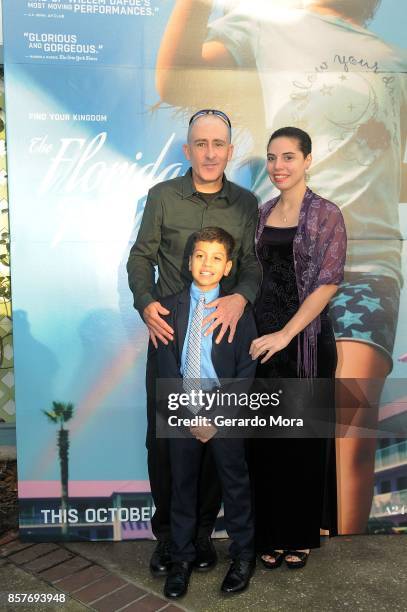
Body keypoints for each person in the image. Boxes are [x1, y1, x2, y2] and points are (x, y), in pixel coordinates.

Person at [156, 0, 407, 535]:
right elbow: (175, 84)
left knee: (349, 415)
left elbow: (395, 165)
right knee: (287, 414)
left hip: (369, 260)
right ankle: (288, 529)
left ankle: (346, 554)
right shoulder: (264, 24)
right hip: (282, 262)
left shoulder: (393, 58)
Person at [127, 109, 261, 575]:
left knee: (218, 438)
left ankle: (201, 536)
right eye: (200, 144)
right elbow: (141, 257)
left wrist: (241, 298)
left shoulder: (246, 202)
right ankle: (168, 539)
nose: (209, 152)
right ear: (188, 150)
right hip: (170, 337)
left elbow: (251, 266)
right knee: (166, 444)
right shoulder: (162, 196)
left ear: (229, 150)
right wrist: (146, 304)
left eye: (218, 144)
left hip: (221, 336)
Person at [249, 126, 346, 568]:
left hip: (303, 343)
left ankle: (300, 534)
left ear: (308, 160)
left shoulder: (326, 214)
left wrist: (286, 334)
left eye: (288, 157)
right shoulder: (263, 212)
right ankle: (269, 533)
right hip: (262, 345)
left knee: (302, 443)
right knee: (267, 442)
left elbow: (328, 284)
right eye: (272, 158)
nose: (278, 166)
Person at [156, 227, 257, 597]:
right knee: (181, 487)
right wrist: (188, 415)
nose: (206, 263)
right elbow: (166, 367)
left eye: (216, 257)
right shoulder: (169, 308)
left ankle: (243, 555)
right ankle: (181, 560)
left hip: (223, 410)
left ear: (228, 267)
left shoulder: (237, 310)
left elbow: (246, 369)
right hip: (183, 407)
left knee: (235, 484)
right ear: (188, 261)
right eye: (200, 255)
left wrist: (215, 418)